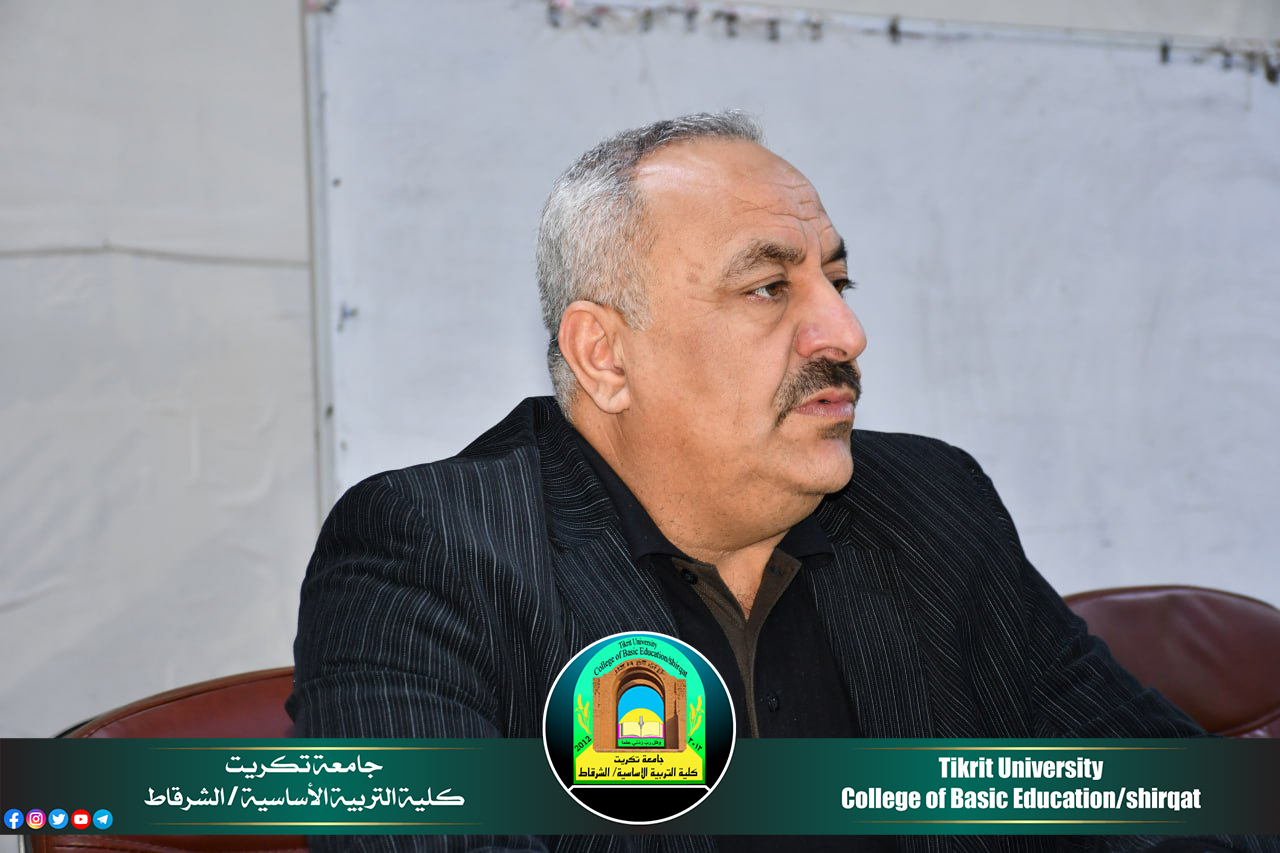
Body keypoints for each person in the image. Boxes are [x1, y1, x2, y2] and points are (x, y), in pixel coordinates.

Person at [288, 113, 1247, 852]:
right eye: (768, 287)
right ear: (606, 356)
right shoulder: (428, 551)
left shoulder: (929, 504)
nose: (845, 334)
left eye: (839, 283)